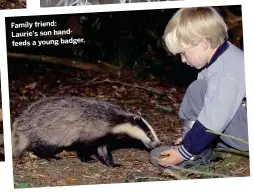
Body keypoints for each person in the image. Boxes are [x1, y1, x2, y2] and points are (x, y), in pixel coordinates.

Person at [150, 7, 248, 171]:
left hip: (247, 136)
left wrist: (183, 152)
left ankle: (192, 155)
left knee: (198, 90)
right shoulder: (221, 57)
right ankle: (196, 144)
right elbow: (206, 106)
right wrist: (190, 136)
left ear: (203, 44)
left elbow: (213, 118)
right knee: (200, 90)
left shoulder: (225, 72)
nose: (182, 60)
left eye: (183, 53)